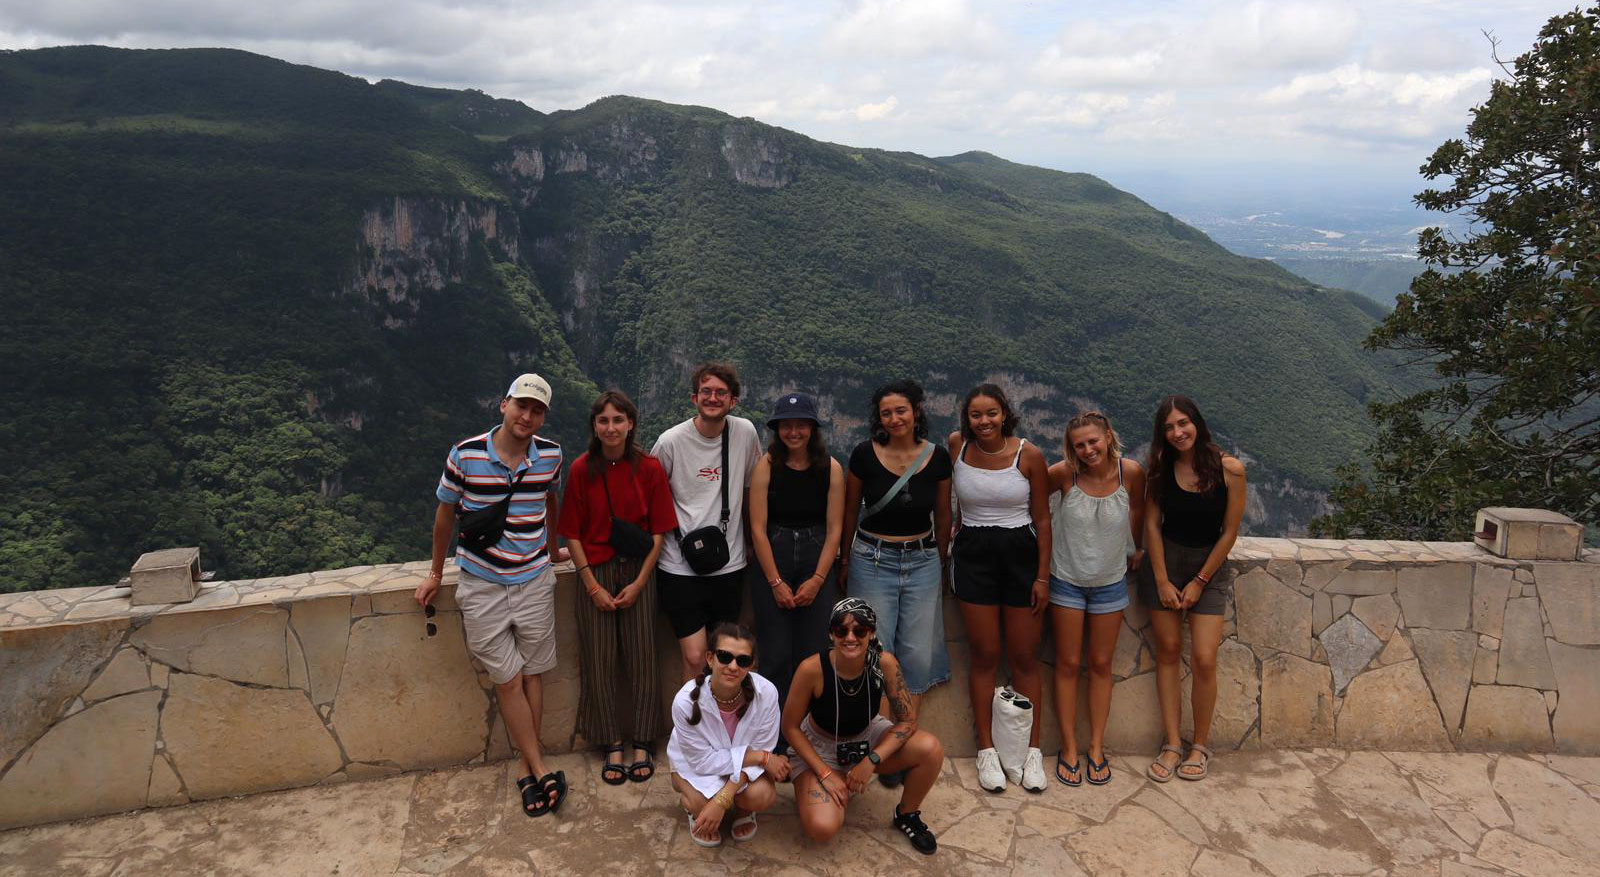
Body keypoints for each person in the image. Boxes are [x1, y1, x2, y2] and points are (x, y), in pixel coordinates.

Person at [417, 373, 569, 817]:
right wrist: (434, 571)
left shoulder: (551, 456)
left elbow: (550, 499)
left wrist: (552, 544)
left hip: (535, 579)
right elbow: (445, 515)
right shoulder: (465, 454)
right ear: (503, 404)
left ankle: (526, 769)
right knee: (508, 679)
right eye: (521, 405)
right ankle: (540, 768)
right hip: (482, 583)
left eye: (537, 410)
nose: (527, 416)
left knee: (534, 673)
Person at [557, 390, 679, 787]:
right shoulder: (580, 470)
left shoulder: (648, 468)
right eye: (603, 421)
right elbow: (571, 533)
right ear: (595, 426)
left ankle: (643, 740)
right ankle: (610, 740)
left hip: (638, 571)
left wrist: (641, 582)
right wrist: (592, 586)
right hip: (596, 572)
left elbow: (659, 531)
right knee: (599, 659)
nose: (611, 428)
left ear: (631, 424)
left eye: (618, 420)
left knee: (643, 657)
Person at [946, 383, 1053, 793]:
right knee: (985, 655)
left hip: (1020, 556)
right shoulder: (958, 446)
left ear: (1005, 413)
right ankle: (987, 751)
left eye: (992, 413)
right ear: (966, 419)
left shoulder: (1030, 456)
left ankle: (1031, 752)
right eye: (976, 415)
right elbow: (953, 503)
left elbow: (1042, 519)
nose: (984, 421)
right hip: (973, 554)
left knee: (1025, 657)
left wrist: (1042, 576)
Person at [1137, 395, 1246, 783]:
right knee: (1167, 652)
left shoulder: (1229, 470)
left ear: (1196, 423)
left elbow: (1230, 532)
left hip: (1208, 567)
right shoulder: (1160, 469)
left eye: (1183, 423)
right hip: (1164, 562)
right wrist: (1163, 579)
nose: (1177, 432)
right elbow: (1151, 524)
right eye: (1169, 427)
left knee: (1203, 658)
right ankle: (1171, 743)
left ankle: (1199, 744)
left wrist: (1200, 581)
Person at [783, 598, 946, 855]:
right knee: (822, 827)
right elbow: (790, 728)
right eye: (841, 630)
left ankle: (906, 814)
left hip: (867, 737)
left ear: (870, 633)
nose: (850, 638)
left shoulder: (884, 663)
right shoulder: (812, 669)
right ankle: (818, 786)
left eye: (859, 631)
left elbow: (908, 721)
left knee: (931, 748)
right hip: (820, 746)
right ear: (831, 634)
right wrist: (825, 773)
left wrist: (871, 760)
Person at [1047, 411, 1145, 787]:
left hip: (1111, 581)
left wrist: (1137, 549)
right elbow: (1036, 513)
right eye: (1079, 445)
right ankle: (1069, 747)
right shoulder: (1062, 475)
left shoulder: (1130, 473)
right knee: (1069, 663)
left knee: (1101, 665)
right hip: (1066, 580)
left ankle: (1097, 747)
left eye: (1093, 441)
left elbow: (1139, 509)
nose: (1088, 450)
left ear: (1108, 435)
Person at [840, 380, 952, 707]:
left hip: (922, 559)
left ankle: (905, 735)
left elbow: (944, 517)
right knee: (874, 647)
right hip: (871, 557)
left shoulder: (938, 458)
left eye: (900, 410)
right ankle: (879, 736)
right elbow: (850, 510)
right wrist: (844, 560)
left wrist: (941, 562)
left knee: (918, 652)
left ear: (916, 411)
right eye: (886, 413)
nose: (894, 419)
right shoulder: (864, 454)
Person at [651, 362, 764, 681]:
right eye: (706, 392)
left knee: (725, 658)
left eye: (721, 393)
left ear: (733, 400)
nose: (713, 398)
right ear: (694, 398)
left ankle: (720, 726)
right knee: (696, 656)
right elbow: (651, 493)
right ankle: (692, 728)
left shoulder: (744, 433)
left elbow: (750, 488)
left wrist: (754, 542)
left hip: (728, 566)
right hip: (678, 565)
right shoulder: (671, 442)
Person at [748, 391, 845, 717]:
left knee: (814, 652)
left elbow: (835, 528)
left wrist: (818, 580)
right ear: (778, 429)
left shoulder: (830, 469)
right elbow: (758, 528)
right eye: (786, 426)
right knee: (774, 652)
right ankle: (774, 736)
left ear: (812, 428)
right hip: (774, 554)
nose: (793, 432)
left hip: (816, 556)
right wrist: (775, 581)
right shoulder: (767, 466)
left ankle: (810, 731)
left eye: (801, 426)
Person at [668, 623, 790, 847]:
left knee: (762, 795)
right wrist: (759, 757)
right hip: (695, 766)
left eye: (742, 660)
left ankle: (742, 809)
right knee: (699, 803)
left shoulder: (767, 694)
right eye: (725, 657)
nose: (733, 666)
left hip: (740, 771)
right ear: (710, 658)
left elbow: (765, 746)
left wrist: (723, 800)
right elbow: (702, 762)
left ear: (751, 666)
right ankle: (693, 804)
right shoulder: (685, 701)